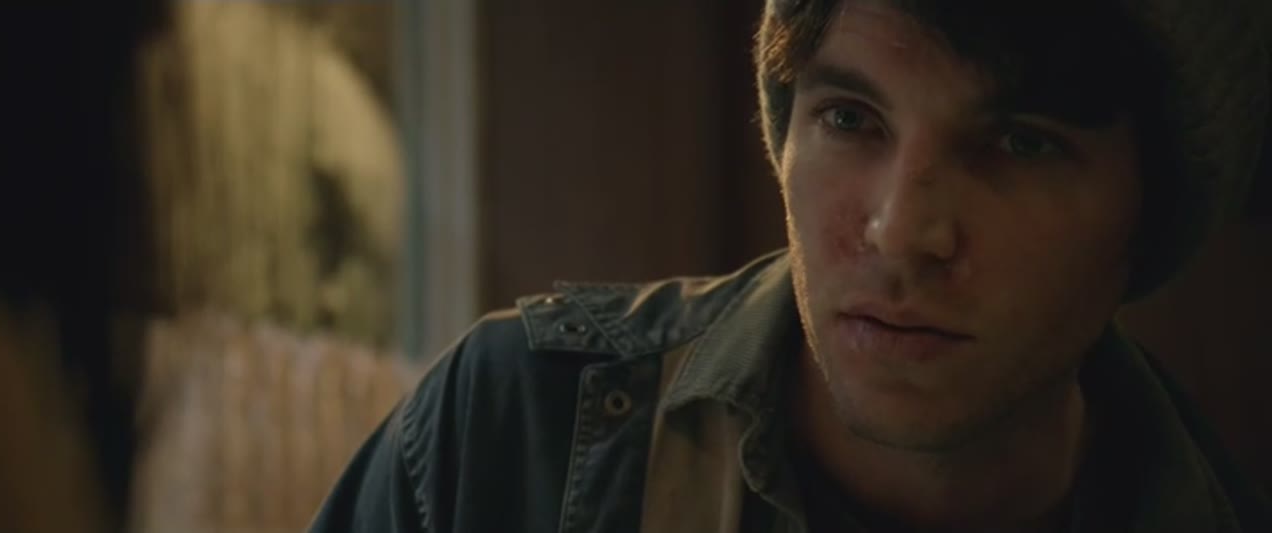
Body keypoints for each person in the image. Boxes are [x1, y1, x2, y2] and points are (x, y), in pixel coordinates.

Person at [310, 0, 1272, 531]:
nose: (900, 230)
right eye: (851, 119)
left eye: (1019, 144)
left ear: (1148, 212)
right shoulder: (512, 436)